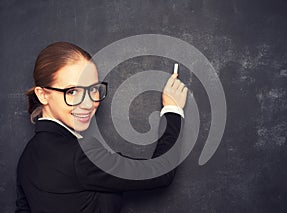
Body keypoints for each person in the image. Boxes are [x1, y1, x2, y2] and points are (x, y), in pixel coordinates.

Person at [15, 42, 188, 212]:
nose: (88, 103)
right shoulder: (82, 156)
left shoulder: (26, 158)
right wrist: (173, 110)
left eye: (93, 89)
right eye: (72, 91)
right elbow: (161, 172)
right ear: (43, 95)